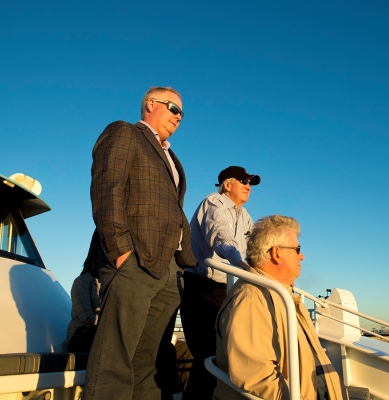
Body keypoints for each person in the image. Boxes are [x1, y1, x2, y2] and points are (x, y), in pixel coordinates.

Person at [84, 86, 197, 400]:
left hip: (169, 269)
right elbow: (107, 189)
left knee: (145, 364)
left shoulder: (171, 156)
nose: (178, 117)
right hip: (134, 262)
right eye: (173, 108)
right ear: (150, 104)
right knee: (113, 361)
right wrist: (121, 252)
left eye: (182, 113)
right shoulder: (124, 133)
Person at [213, 215, 348, 400]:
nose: (302, 256)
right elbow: (258, 378)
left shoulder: (279, 295)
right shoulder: (251, 299)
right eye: (297, 249)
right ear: (277, 253)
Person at [180, 166, 260, 399]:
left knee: (220, 353)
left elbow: (258, 240)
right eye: (244, 181)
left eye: (250, 183)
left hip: (223, 288)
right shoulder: (213, 203)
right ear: (227, 184)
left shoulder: (243, 215)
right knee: (208, 354)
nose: (248, 186)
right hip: (199, 286)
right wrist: (238, 262)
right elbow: (221, 235)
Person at [63, 231, 101, 352]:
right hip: (81, 339)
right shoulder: (82, 281)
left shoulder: (106, 282)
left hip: (99, 339)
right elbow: (87, 318)